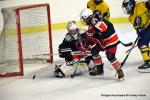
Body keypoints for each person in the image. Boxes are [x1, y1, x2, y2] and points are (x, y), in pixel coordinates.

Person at [80, 8, 124, 80]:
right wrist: (87, 36)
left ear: (87, 17)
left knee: (110, 56)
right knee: (94, 50)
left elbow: (104, 28)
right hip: (102, 41)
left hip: (111, 40)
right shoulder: (93, 22)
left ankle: (119, 71)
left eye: (84, 19)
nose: (84, 21)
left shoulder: (97, 21)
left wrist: (90, 35)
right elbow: (92, 33)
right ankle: (100, 69)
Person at [122, 0, 150, 72]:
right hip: (146, 30)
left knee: (142, 43)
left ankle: (148, 63)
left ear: (131, 5)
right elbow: (137, 27)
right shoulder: (131, 17)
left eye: (127, 7)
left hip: (148, 27)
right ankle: (148, 58)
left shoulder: (139, 5)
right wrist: (139, 32)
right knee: (143, 43)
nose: (126, 10)